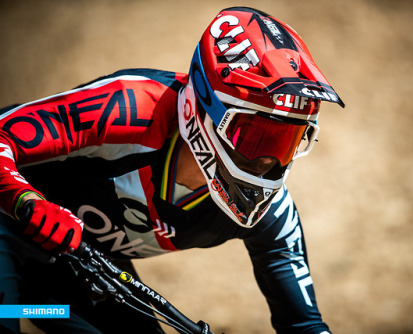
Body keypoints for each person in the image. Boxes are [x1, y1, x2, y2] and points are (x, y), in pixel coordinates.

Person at [0, 6, 344, 334]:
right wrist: (25, 200)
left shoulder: (270, 215)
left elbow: (305, 326)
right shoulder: (128, 108)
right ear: (205, 107)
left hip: (72, 266)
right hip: (9, 220)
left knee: (19, 311)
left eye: (285, 142)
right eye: (254, 138)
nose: (268, 162)